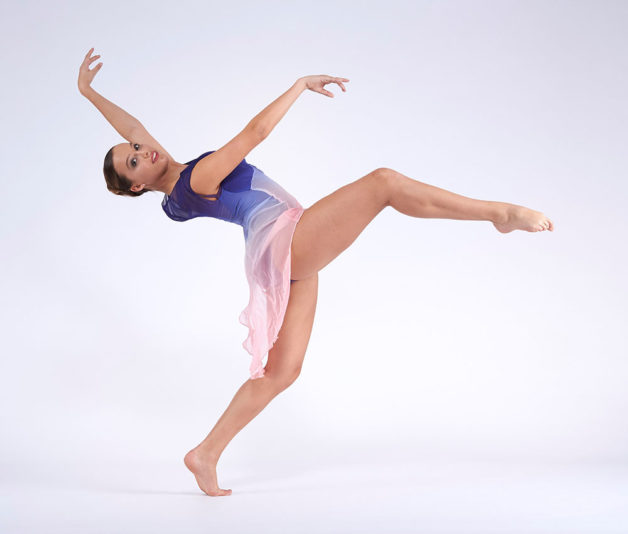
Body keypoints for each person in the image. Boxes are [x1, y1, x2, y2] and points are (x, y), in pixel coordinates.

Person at [78, 47, 554, 497]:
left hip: (279, 248)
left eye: (136, 147)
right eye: (133, 161)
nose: (142, 150)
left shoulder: (176, 181)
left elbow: (134, 126)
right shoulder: (194, 181)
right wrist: (298, 85)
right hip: (287, 240)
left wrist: (90, 93)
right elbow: (255, 132)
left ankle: (205, 453)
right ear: (136, 186)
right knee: (383, 183)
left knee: (281, 372)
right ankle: (499, 214)